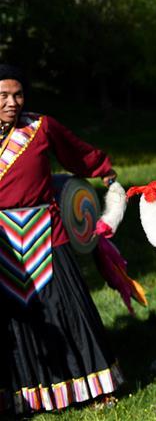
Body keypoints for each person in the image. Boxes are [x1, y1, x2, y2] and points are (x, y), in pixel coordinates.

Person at [0, 64, 121, 414]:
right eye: (4, 96)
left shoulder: (40, 127)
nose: (12, 102)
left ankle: (96, 386)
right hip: (3, 242)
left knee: (67, 308)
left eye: (17, 94)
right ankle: (28, 394)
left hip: (46, 232)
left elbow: (77, 152)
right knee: (17, 318)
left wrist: (103, 171)